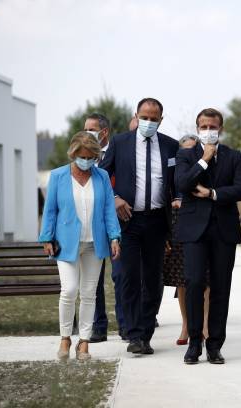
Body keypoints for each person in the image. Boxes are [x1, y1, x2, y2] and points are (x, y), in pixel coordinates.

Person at [98, 98, 179, 355]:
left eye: (154, 119)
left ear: (161, 120)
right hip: (127, 220)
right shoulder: (120, 143)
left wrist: (177, 199)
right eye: (144, 117)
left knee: (154, 280)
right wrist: (114, 197)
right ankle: (133, 334)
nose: (148, 122)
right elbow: (101, 175)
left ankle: (145, 333)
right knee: (128, 278)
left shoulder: (170, 146)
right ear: (137, 115)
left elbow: (176, 182)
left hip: (156, 221)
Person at [175, 108, 241, 364]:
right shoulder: (185, 155)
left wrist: (212, 193)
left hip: (223, 230)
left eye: (213, 126)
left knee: (220, 287)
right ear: (197, 128)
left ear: (221, 129)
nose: (208, 130)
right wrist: (204, 160)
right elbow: (182, 184)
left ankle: (215, 345)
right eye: (204, 126)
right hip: (194, 230)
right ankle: (194, 342)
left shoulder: (234, 156)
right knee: (194, 283)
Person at [39, 131, 121, 360]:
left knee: (89, 294)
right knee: (69, 290)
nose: (86, 161)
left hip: (95, 243)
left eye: (91, 157)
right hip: (66, 244)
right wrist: (46, 237)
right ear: (74, 154)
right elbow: (51, 209)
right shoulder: (57, 176)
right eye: (82, 156)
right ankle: (65, 337)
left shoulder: (102, 176)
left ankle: (84, 342)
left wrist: (115, 236)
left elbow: (107, 209)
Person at [163, 134, 210, 345]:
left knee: (206, 279)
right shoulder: (173, 168)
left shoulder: (208, 165)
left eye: (193, 148)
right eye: (184, 150)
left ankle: (206, 325)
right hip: (178, 225)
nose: (188, 153)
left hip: (203, 222)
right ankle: (186, 325)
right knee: (182, 281)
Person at [84, 113, 125, 343]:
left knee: (120, 276)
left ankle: (125, 325)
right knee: (93, 279)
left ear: (103, 132)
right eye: (85, 129)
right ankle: (98, 327)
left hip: (118, 225)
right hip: (91, 227)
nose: (87, 133)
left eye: (91, 129)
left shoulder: (119, 152)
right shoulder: (82, 157)